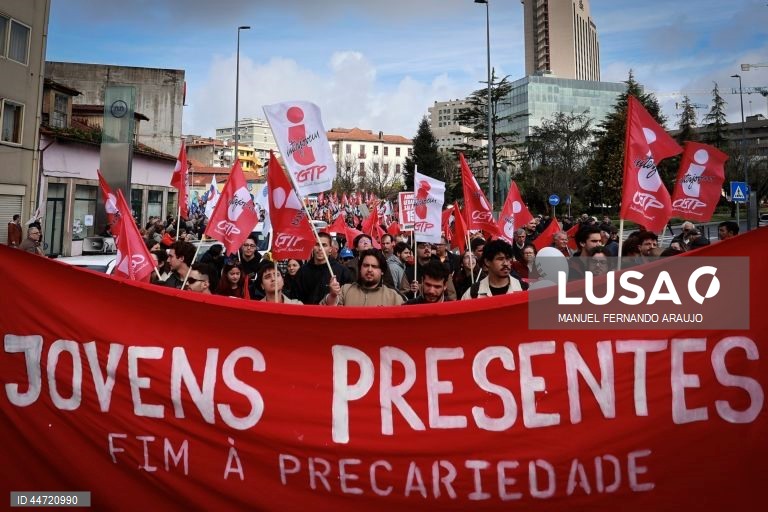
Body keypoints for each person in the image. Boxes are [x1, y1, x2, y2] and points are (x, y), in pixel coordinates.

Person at [323, 249, 403, 306]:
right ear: (360, 268)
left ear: (382, 271)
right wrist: (333, 296)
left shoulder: (393, 297)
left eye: (374, 266)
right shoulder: (345, 290)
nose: (369, 270)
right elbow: (326, 312)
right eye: (366, 265)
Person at [295, 232, 353, 304]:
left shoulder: (342, 271)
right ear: (313, 247)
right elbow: (295, 298)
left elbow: (348, 298)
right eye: (317, 244)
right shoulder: (303, 271)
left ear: (330, 249)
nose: (320, 248)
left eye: (324, 245)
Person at [462, 239, 527, 299]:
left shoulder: (524, 289)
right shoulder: (473, 293)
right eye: (500, 259)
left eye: (508, 259)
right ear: (487, 262)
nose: (506, 263)